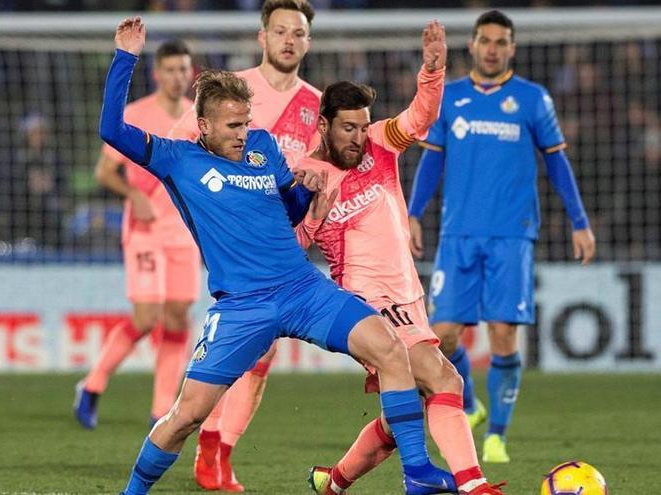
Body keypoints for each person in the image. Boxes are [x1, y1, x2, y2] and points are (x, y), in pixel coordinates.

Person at [101, 17, 453, 495]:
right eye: (232, 126)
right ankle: (133, 491)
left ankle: (417, 474)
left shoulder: (263, 148)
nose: (243, 134)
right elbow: (111, 129)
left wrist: (308, 196)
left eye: (246, 123)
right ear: (202, 126)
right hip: (242, 306)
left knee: (392, 349)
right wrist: (126, 57)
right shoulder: (175, 158)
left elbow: (288, 209)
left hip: (302, 287)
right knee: (186, 415)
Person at [296, 22, 505, 495]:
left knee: (401, 414)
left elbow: (419, 118)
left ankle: (333, 483)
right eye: (347, 128)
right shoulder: (304, 176)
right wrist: (311, 221)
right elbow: (287, 249)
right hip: (365, 300)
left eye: (361, 126)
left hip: (406, 294)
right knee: (443, 378)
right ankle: (474, 485)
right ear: (323, 124)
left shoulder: (379, 144)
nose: (357, 137)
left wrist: (432, 70)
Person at [407, 10, 596, 464]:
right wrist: (412, 213)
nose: (492, 48)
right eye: (485, 40)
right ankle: (469, 404)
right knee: (443, 337)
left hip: (512, 236)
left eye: (501, 41)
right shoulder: (449, 99)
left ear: (511, 48)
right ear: (471, 45)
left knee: (503, 336)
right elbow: (431, 161)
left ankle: (496, 436)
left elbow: (556, 163)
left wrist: (579, 220)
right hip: (458, 235)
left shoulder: (533, 100)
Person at [168, 1, 321, 490]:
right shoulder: (232, 91)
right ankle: (208, 443)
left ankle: (221, 448)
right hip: (236, 249)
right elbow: (178, 149)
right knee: (240, 349)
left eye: (298, 32)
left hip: (289, 244)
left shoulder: (317, 103)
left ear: (307, 41)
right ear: (263, 37)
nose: (289, 40)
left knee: (264, 359)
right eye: (280, 30)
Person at [73, 39, 198, 430]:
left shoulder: (197, 118)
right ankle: (92, 385)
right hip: (144, 230)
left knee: (177, 316)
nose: (179, 77)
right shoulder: (136, 113)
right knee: (146, 316)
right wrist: (132, 195)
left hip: (183, 232)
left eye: (184, 70)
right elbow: (104, 172)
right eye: (172, 70)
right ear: (157, 73)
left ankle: (161, 412)